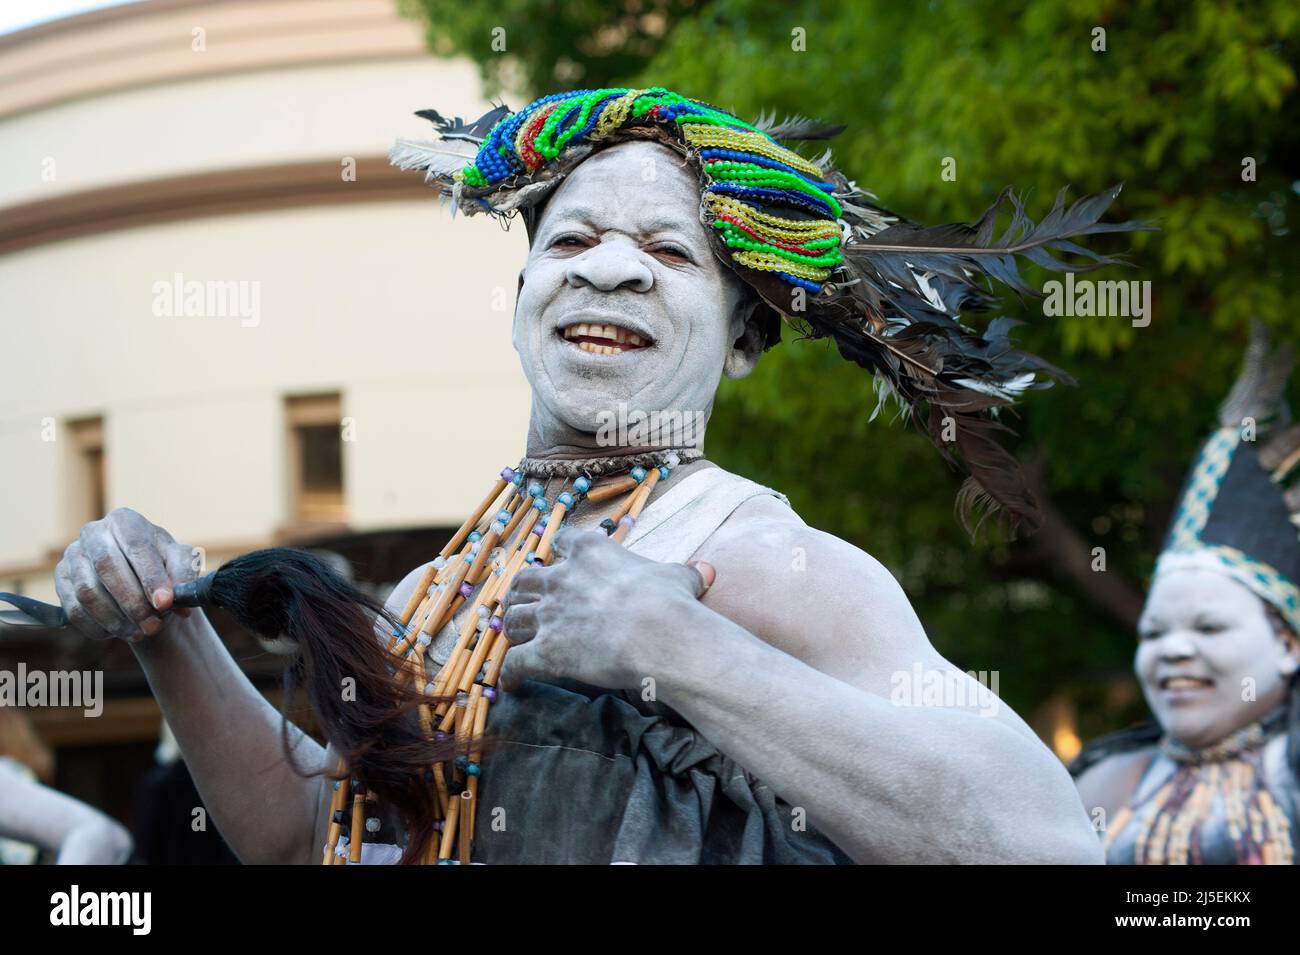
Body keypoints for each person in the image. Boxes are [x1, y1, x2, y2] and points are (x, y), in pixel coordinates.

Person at [52, 87, 1141, 864]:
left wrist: (681, 647)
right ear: (524, 294)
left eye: (668, 254)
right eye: (571, 241)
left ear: (744, 339)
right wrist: (168, 630)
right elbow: (311, 838)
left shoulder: (754, 556)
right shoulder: (436, 588)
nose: (609, 267)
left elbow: (1043, 844)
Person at [1072, 323, 1300, 864]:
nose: (1173, 650)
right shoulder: (1100, 784)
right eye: (1153, 633)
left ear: (1289, 646)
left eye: (1209, 627)